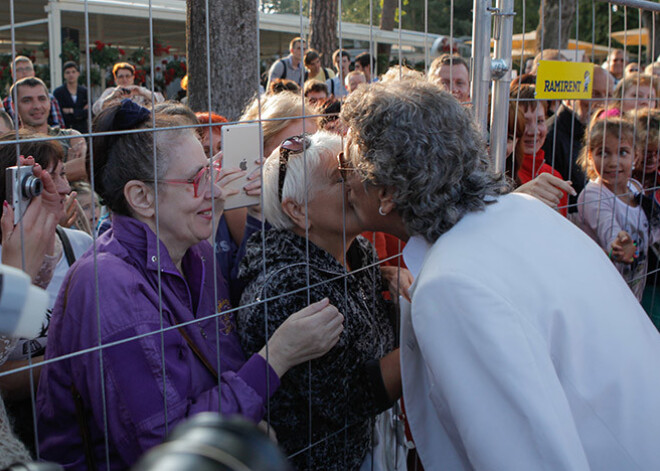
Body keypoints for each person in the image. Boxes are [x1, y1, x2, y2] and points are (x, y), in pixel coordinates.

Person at [340, 76, 660, 470]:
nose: (343, 180)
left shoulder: (451, 286)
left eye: (346, 164)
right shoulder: (522, 214)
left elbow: (525, 458)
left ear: (387, 190)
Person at [36, 100, 343, 470]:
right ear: (141, 197)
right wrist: (276, 358)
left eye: (213, 170)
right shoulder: (109, 285)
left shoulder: (196, 253)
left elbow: (222, 365)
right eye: (198, 179)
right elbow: (164, 447)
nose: (216, 190)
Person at [237, 131, 402, 470]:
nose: (355, 184)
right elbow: (352, 396)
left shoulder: (358, 252)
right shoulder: (288, 288)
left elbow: (380, 345)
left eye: (351, 171)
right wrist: (435, 335)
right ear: (297, 211)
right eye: (338, 178)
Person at [0, 132, 93, 451]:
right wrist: (74, 360)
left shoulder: (79, 245)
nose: (63, 188)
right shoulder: (7, 263)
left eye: (63, 173)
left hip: (73, 425)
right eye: (42, 181)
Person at [576, 115, 650, 301]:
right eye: (604, 153)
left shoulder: (636, 188)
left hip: (634, 294)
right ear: (591, 157)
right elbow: (608, 229)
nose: (613, 162)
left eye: (623, 152)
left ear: (636, 155)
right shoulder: (593, 194)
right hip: (604, 295)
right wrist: (618, 243)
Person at [542, 65, 614, 212]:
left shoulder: (598, 131)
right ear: (572, 94)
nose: (603, 102)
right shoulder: (551, 136)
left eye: (609, 95)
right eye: (595, 94)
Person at [11, 77, 87, 183]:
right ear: (13, 107)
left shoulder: (71, 137)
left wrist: (34, 177)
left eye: (42, 99)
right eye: (27, 100)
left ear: (49, 102)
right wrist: (68, 170)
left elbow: (85, 165)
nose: (37, 106)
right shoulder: (11, 144)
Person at [510, 83, 570, 215]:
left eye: (540, 121)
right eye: (524, 123)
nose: (534, 131)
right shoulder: (502, 174)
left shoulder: (554, 176)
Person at [3, 55, 65, 128]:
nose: (24, 72)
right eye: (19, 69)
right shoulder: (6, 102)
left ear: (33, 72)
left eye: (28, 68)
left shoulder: (50, 97)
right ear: (13, 74)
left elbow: (58, 125)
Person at [92, 62, 164, 115]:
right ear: (115, 79)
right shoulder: (110, 91)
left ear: (133, 77)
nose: (124, 79)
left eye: (128, 76)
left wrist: (143, 93)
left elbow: (161, 101)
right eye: (121, 76)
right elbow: (95, 109)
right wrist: (111, 97)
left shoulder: (139, 90)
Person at [53, 61, 89, 134]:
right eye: (68, 72)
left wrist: (71, 111)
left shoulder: (85, 91)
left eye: (73, 72)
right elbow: (60, 113)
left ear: (78, 73)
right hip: (66, 131)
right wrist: (80, 111)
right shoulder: (58, 92)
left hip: (83, 131)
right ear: (64, 75)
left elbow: (89, 112)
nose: (71, 75)